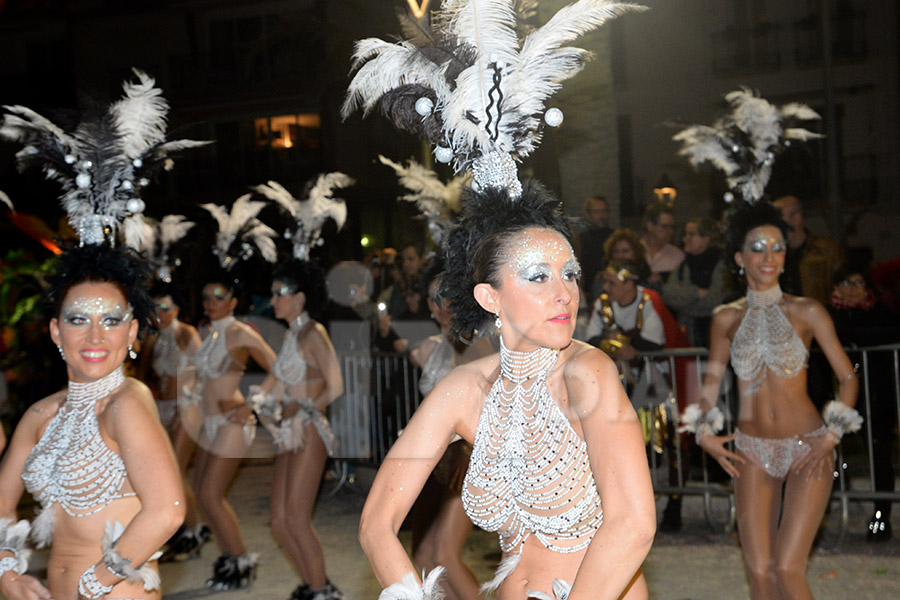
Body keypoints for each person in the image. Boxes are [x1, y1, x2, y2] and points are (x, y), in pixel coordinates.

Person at [684, 201, 859, 600]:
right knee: (760, 572)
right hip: (751, 452)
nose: (769, 256)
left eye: (777, 247)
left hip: (808, 448)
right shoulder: (725, 318)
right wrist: (704, 434)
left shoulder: (808, 311)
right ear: (739, 258)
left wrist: (832, 435)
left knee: (787, 569)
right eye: (758, 247)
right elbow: (710, 387)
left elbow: (847, 378)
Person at [0, 244, 185, 600]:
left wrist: (96, 582)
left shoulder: (127, 403)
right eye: (78, 319)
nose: (95, 336)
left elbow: (167, 511)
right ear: (56, 331)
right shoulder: (41, 415)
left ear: (131, 332)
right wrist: (6, 572)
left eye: (111, 321)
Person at [249, 260, 345, 600]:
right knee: (279, 520)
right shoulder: (291, 336)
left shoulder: (313, 332)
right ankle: (313, 584)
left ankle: (321, 591)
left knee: (297, 518)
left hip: (308, 430)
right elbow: (271, 388)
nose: (273, 301)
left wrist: (305, 411)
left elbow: (335, 385)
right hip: (289, 430)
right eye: (272, 293)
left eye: (280, 294)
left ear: (301, 298)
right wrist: (264, 409)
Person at [407, 277, 493, 600]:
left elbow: (489, 404)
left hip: (469, 458)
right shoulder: (433, 346)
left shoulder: (477, 344)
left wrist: (468, 450)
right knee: (424, 559)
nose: (437, 307)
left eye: (445, 298)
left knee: (444, 553)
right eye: (432, 300)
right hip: (435, 458)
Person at [190, 273, 276, 589]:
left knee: (211, 496)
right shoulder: (206, 331)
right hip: (209, 424)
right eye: (206, 298)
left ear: (234, 302)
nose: (211, 303)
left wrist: (250, 404)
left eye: (219, 297)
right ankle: (228, 559)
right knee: (200, 492)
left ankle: (240, 562)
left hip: (233, 423)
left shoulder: (241, 334)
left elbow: (279, 369)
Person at [827, 265, 900, 542]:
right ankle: (817, 510)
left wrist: (856, 336)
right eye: (848, 282)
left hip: (876, 395)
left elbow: (890, 333)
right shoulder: (828, 313)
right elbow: (839, 333)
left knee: (879, 455)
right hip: (834, 397)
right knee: (828, 453)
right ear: (835, 287)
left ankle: (882, 516)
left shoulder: (881, 311)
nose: (855, 288)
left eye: (860, 282)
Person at [138, 282, 210, 561]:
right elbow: (143, 375)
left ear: (177, 308)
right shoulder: (154, 338)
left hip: (187, 407)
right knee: (165, 474)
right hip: (162, 408)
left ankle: (191, 531)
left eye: (166, 307)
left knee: (174, 472)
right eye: (155, 307)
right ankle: (188, 530)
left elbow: (206, 372)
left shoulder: (187, 333)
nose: (160, 313)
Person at [662, 217, 728, 347]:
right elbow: (668, 294)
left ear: (706, 238)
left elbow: (716, 300)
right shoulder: (683, 266)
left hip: (715, 336)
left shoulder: (721, 266)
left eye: (691, 234)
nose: (685, 239)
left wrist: (685, 306)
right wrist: (696, 293)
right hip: (689, 337)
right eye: (685, 234)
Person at [772, 195, 845, 305]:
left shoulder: (827, 250)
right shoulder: (772, 253)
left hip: (816, 318)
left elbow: (843, 287)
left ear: (796, 217)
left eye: (777, 216)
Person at [577, 196, 614, 303]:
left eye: (604, 211)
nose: (602, 216)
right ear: (588, 214)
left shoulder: (615, 237)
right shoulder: (581, 240)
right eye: (597, 212)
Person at [640, 202, 684, 288]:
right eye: (665, 226)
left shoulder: (677, 256)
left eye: (672, 227)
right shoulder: (632, 250)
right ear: (650, 225)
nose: (670, 231)